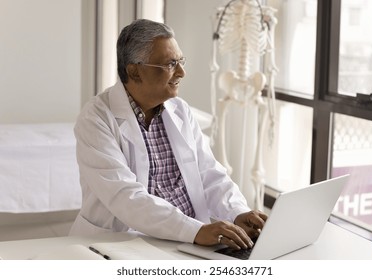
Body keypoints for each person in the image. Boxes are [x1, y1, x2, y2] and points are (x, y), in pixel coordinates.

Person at [69, 19, 267, 250]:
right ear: (134, 71)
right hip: (124, 243)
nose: (182, 72)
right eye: (170, 64)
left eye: (181, 61)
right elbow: (125, 197)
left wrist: (237, 211)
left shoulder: (180, 109)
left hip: (186, 241)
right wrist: (195, 231)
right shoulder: (96, 118)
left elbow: (209, 173)